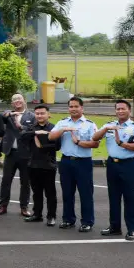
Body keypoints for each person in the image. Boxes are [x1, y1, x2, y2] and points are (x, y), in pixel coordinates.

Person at [94, 99, 134, 240]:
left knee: (130, 198)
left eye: (123, 109)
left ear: (129, 110)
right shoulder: (109, 125)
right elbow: (94, 137)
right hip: (112, 165)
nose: (120, 111)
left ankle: (132, 229)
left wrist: (122, 144)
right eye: (118, 109)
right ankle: (114, 227)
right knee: (114, 197)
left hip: (129, 164)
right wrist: (105, 129)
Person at [49, 97, 99, 232]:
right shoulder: (63, 122)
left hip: (83, 162)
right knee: (67, 193)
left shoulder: (89, 124)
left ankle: (87, 221)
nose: (73, 109)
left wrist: (79, 142)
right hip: (66, 162)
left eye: (76, 106)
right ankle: (68, 219)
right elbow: (51, 137)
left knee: (85, 193)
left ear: (82, 108)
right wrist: (63, 130)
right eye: (71, 106)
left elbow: (95, 143)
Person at [0, 93, 36, 217]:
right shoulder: (8, 114)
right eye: (14, 100)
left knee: (25, 182)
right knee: (6, 180)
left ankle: (24, 207)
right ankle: (3, 206)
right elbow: (1, 117)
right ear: (12, 103)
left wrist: (22, 127)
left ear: (24, 100)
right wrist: (9, 114)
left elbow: (33, 131)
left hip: (25, 153)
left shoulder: (31, 116)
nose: (17, 101)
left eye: (19, 98)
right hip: (10, 153)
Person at [22, 105, 60, 227]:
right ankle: (37, 214)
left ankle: (51, 216)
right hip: (33, 164)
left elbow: (57, 146)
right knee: (36, 192)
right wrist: (36, 132)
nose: (39, 115)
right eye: (37, 113)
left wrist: (42, 146)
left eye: (42, 113)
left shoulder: (54, 128)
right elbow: (22, 137)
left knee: (50, 193)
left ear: (48, 114)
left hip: (48, 165)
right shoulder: (31, 128)